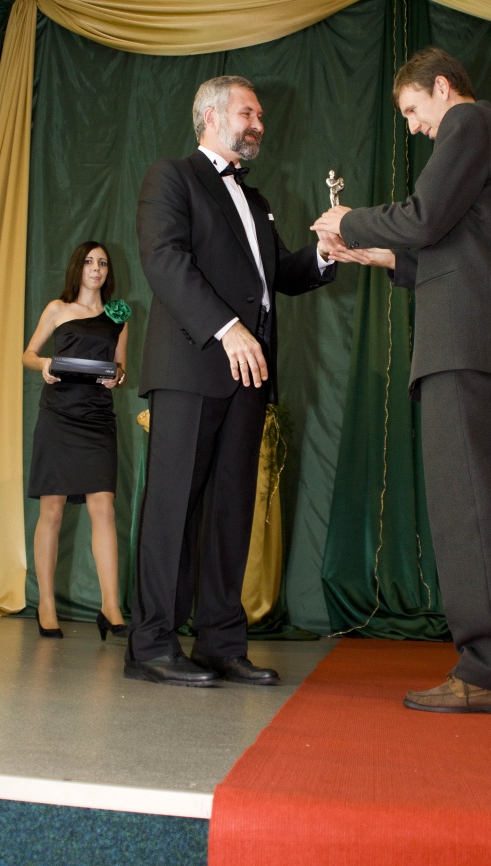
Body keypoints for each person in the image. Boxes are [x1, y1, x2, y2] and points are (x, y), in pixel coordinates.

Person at [313, 47, 491, 715]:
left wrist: (346, 220)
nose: (414, 126)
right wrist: (383, 257)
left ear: (442, 88)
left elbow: (422, 216)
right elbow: (465, 253)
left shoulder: (467, 124)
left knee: (467, 509)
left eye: (414, 110)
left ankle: (488, 670)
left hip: (462, 347)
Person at [125, 75, 337, 688]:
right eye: (249, 113)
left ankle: (220, 644)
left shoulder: (256, 198)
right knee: (173, 508)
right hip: (192, 366)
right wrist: (226, 329)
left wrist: (325, 253)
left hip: (250, 374)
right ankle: (152, 645)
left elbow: (278, 275)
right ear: (212, 116)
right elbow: (164, 259)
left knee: (229, 512)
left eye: (260, 116)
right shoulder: (172, 177)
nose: (259, 125)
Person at [23, 241, 130, 640]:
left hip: (97, 418)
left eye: (102, 263)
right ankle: (46, 605)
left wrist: (117, 377)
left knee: (104, 507)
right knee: (52, 509)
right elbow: (28, 354)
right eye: (89, 261)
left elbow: (121, 368)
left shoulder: (119, 315)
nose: (96, 268)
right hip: (58, 416)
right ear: (77, 268)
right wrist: (44, 363)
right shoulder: (57, 309)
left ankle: (110, 606)